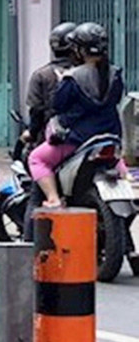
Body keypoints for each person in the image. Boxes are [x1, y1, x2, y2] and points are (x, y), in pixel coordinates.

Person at [29, 22, 124, 208]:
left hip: (77, 140)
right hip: (111, 136)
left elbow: (58, 105)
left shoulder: (72, 77)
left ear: (79, 50)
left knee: (36, 158)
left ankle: (54, 198)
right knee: (121, 165)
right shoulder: (115, 74)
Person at [23, 22, 79, 146]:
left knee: (34, 160)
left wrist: (32, 133)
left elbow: (36, 111)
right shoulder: (88, 73)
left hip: (52, 139)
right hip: (85, 135)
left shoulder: (41, 75)